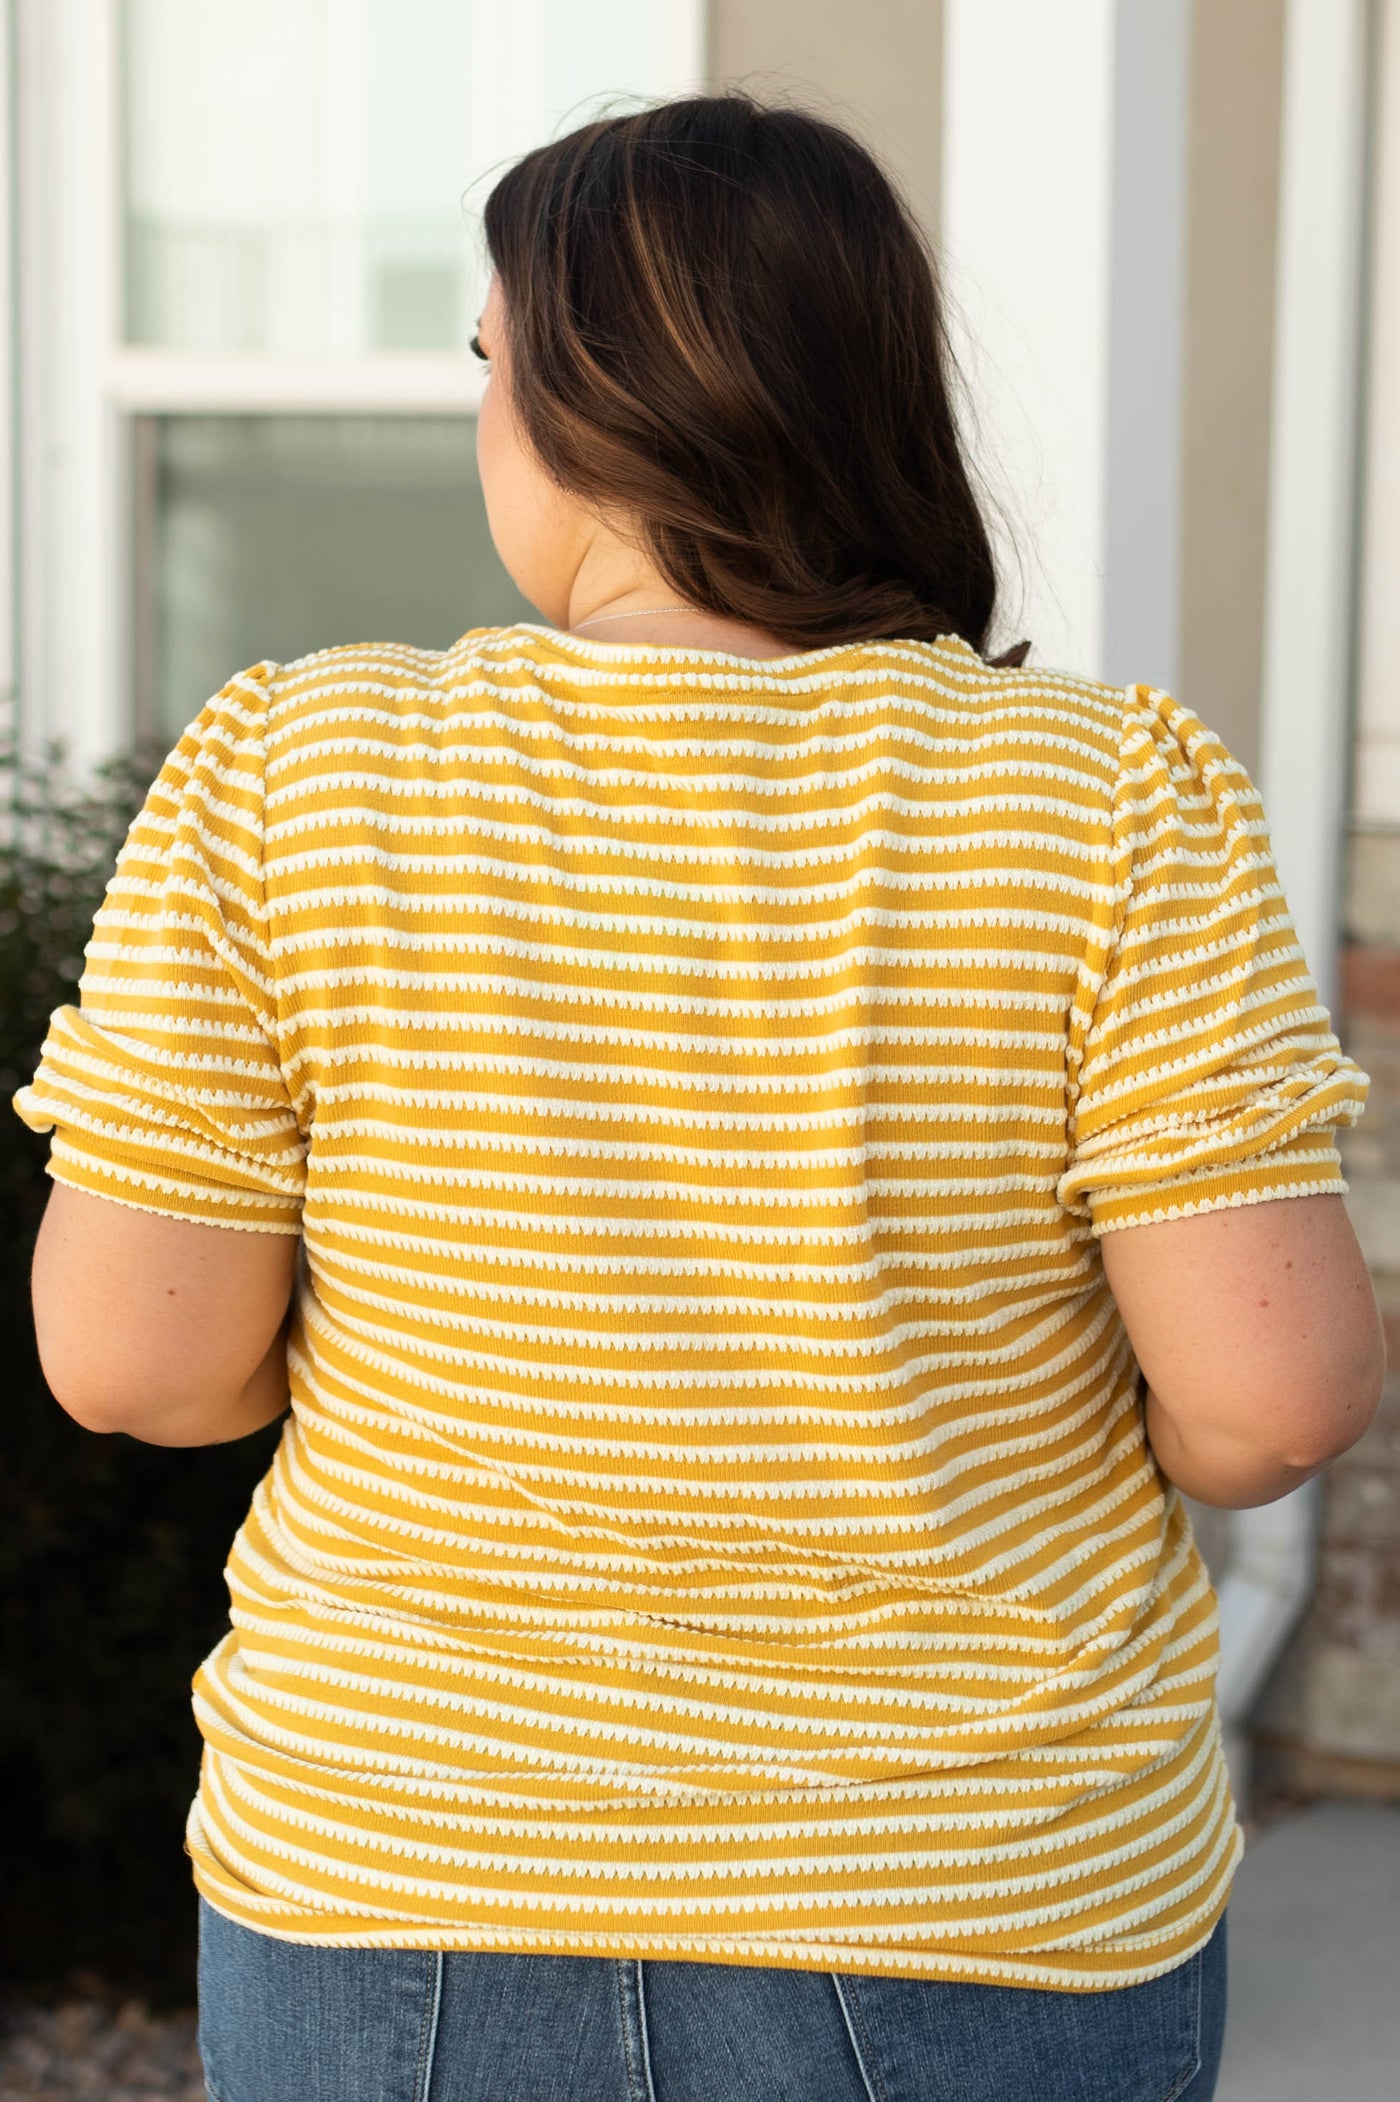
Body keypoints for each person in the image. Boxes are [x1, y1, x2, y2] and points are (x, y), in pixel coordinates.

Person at [17, 91, 1384, 2102]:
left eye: (493, 365)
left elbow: (138, 1367)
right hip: (973, 1885)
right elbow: (1266, 1402)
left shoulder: (296, 768)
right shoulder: (1110, 798)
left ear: (581, 402)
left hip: (410, 1871)